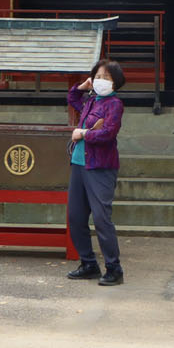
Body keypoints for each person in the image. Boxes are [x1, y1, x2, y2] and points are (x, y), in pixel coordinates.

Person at [65, 59, 126, 286]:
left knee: (101, 218)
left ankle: (114, 267)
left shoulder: (114, 105)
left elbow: (108, 134)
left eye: (107, 78)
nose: (101, 81)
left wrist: (84, 134)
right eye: (98, 77)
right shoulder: (91, 101)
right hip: (79, 165)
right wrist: (81, 87)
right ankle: (88, 263)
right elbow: (73, 99)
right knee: (76, 216)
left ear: (116, 83)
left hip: (100, 167)